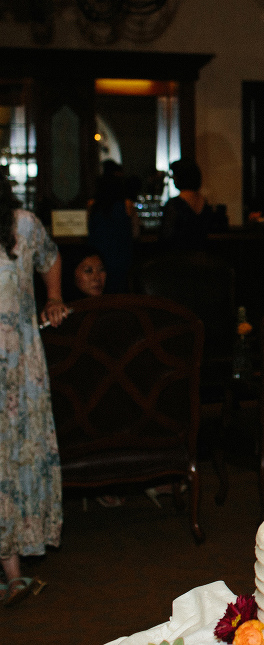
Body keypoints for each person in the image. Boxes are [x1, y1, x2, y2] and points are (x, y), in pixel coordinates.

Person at [0, 173, 68, 606]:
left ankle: (13, 574)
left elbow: (51, 258)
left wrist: (53, 297)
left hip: (19, 364)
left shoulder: (23, 225)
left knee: (16, 457)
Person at [87, 168, 138, 293]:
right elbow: (136, 233)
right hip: (121, 255)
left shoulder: (92, 205)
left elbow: (88, 229)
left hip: (99, 254)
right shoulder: (127, 205)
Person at [159, 158, 212, 251]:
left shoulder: (174, 203)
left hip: (179, 257)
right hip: (201, 255)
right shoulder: (204, 201)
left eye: (174, 175)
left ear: (180, 177)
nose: (172, 178)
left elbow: (166, 236)